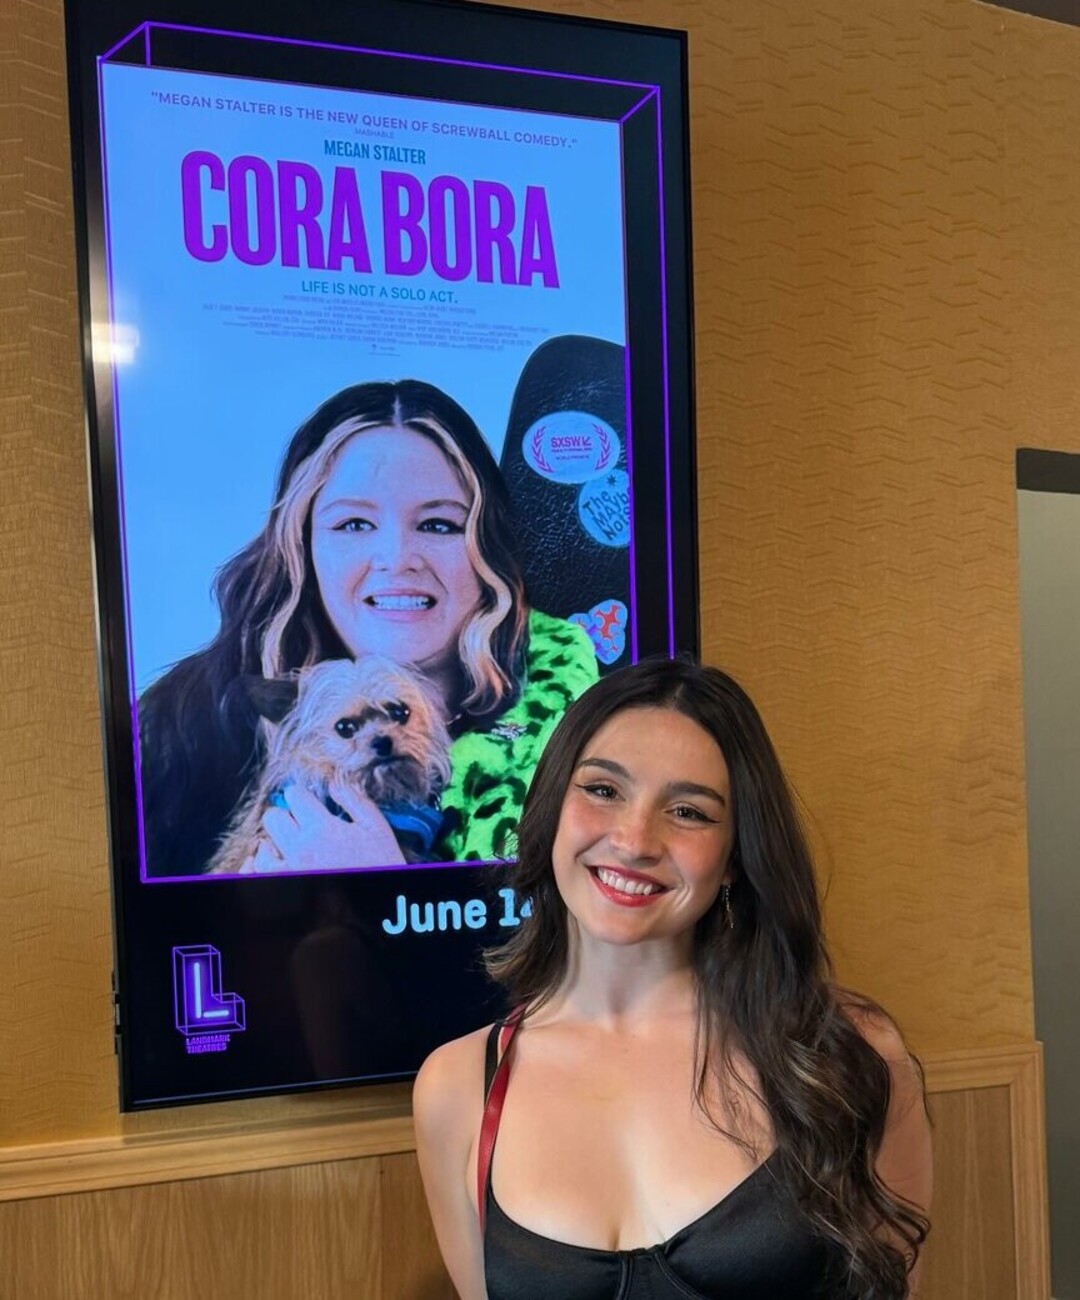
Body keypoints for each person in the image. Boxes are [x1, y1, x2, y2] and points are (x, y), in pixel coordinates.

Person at [413, 657, 932, 1300]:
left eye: (688, 811)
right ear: (550, 808)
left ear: (735, 856)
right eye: (603, 790)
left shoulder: (850, 1052)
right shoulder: (456, 1086)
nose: (635, 840)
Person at [138, 380, 598, 876]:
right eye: (354, 524)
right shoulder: (176, 730)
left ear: (487, 546)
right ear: (302, 545)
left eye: (438, 524)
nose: (397, 559)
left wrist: (380, 884)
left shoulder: (581, 708)